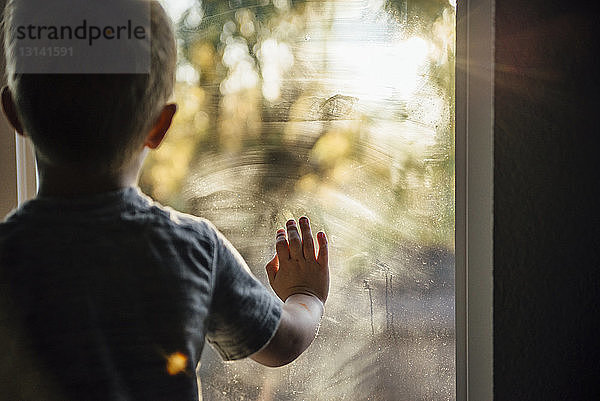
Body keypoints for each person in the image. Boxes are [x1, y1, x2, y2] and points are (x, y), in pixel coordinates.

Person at [0, 1, 329, 400]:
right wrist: (306, 296)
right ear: (160, 126)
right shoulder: (189, 249)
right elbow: (284, 341)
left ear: (14, 114)